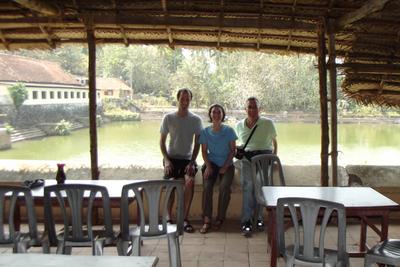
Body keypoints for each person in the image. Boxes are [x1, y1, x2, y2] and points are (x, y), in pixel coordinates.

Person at [159, 88, 203, 233]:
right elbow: (162, 142)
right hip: (171, 158)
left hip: (187, 160)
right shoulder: (168, 118)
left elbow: (197, 144)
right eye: (182, 98)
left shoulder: (196, 120)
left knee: (189, 182)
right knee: (171, 183)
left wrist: (192, 162)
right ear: (177, 99)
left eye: (187, 99)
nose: (185, 101)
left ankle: (184, 218)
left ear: (190, 100)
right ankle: (168, 218)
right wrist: (166, 161)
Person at [236, 96, 277, 237]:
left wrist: (274, 158)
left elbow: (274, 142)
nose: (252, 110)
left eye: (255, 107)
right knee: (248, 186)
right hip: (247, 160)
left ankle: (258, 218)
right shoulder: (239, 125)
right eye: (249, 107)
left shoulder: (268, 123)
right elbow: (239, 143)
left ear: (259, 109)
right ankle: (246, 221)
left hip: (264, 159)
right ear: (245, 109)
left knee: (260, 185)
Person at [198, 104, 237, 234]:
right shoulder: (205, 132)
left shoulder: (229, 131)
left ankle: (220, 218)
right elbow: (203, 151)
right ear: (210, 115)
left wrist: (225, 166)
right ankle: (207, 219)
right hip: (212, 163)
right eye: (213, 112)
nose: (216, 114)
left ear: (222, 115)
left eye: (219, 112)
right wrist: (208, 166)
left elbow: (233, 150)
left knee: (224, 187)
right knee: (207, 186)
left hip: (227, 164)